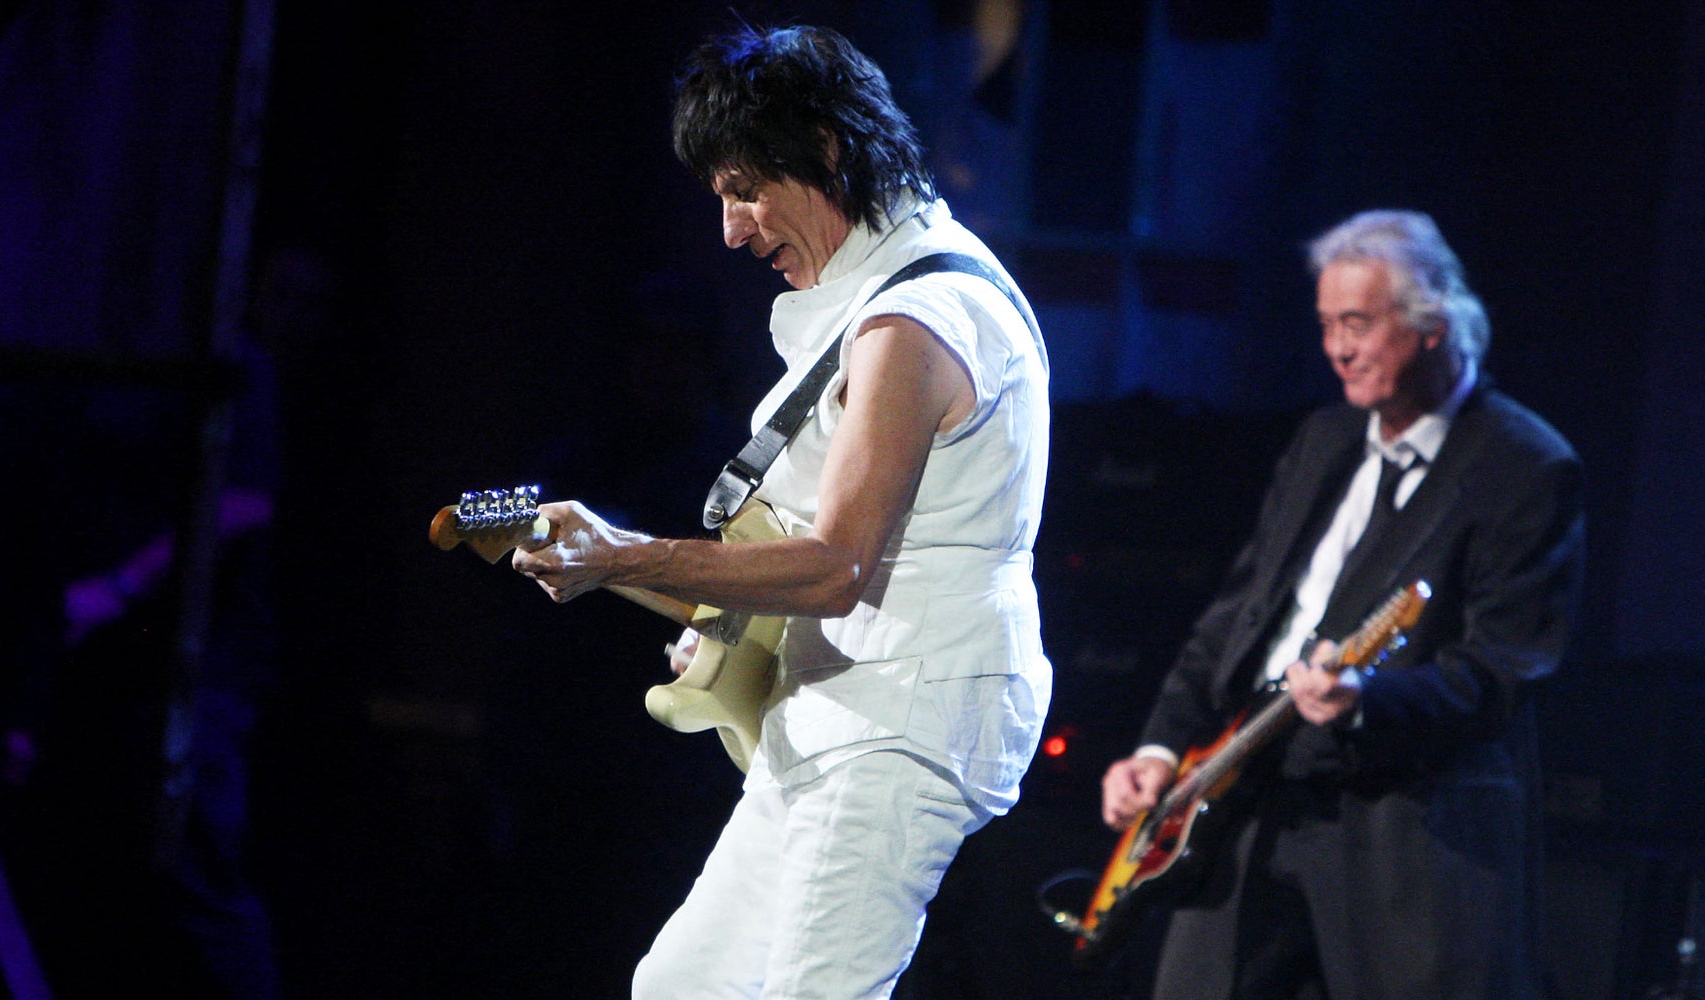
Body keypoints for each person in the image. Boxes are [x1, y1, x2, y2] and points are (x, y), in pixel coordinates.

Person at [509, 23, 1051, 998]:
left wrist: (621, 555)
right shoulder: (884, 296)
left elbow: (835, 566)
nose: (731, 230)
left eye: (744, 190)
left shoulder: (914, 322)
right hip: (835, 711)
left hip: (901, 717)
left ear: (826, 149)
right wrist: (730, 621)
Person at [1098, 209, 1584, 999]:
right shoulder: (1323, 439)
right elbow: (1237, 618)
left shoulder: (1525, 467)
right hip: (1249, 797)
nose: (1337, 348)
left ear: (1432, 324)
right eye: (1326, 325)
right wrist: (1160, 747)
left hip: (1403, 828)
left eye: (1357, 323)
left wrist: (1366, 698)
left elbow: (1501, 671)